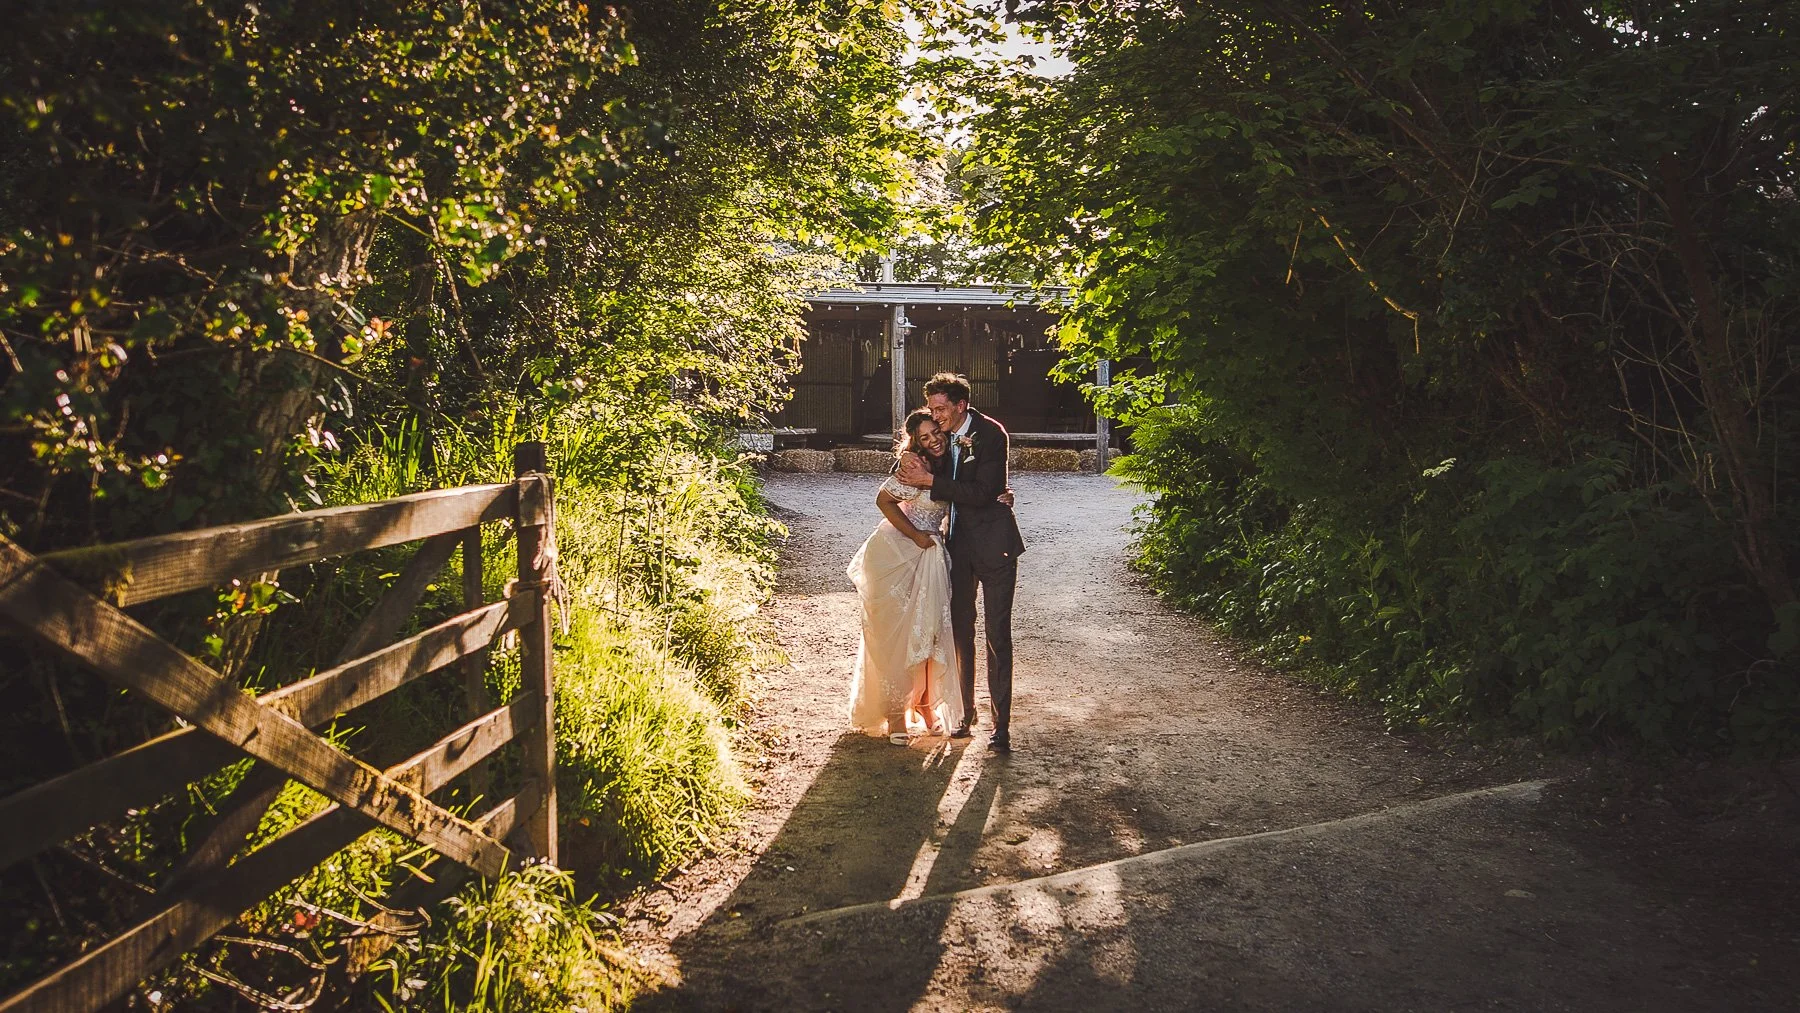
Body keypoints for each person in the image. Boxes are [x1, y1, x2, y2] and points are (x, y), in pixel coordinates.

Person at [896, 372, 1026, 752]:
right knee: (960, 633)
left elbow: (985, 491)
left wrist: (932, 485)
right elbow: (911, 474)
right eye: (932, 409)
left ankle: (1001, 726)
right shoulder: (940, 436)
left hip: (996, 545)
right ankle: (965, 713)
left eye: (941, 409)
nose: (935, 417)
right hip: (957, 548)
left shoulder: (991, 434)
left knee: (997, 634)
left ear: (961, 405)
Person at [846, 409, 965, 744]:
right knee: (897, 637)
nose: (933, 440)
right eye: (924, 437)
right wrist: (914, 535)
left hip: (931, 554)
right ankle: (896, 714)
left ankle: (926, 706)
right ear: (916, 442)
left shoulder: (950, 460)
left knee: (928, 632)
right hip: (897, 552)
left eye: (935, 432)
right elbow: (883, 500)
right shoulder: (913, 464)